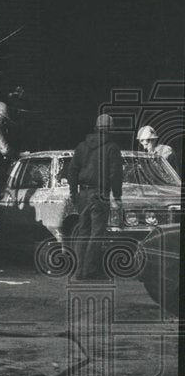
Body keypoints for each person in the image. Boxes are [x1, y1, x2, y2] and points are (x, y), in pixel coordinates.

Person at [67, 113, 123, 281]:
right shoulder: (112, 148)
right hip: (100, 195)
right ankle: (90, 271)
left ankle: (79, 271)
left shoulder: (81, 146)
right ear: (110, 130)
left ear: (96, 128)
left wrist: (73, 192)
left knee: (83, 231)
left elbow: (72, 170)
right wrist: (117, 196)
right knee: (97, 233)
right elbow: (115, 174)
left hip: (83, 194)